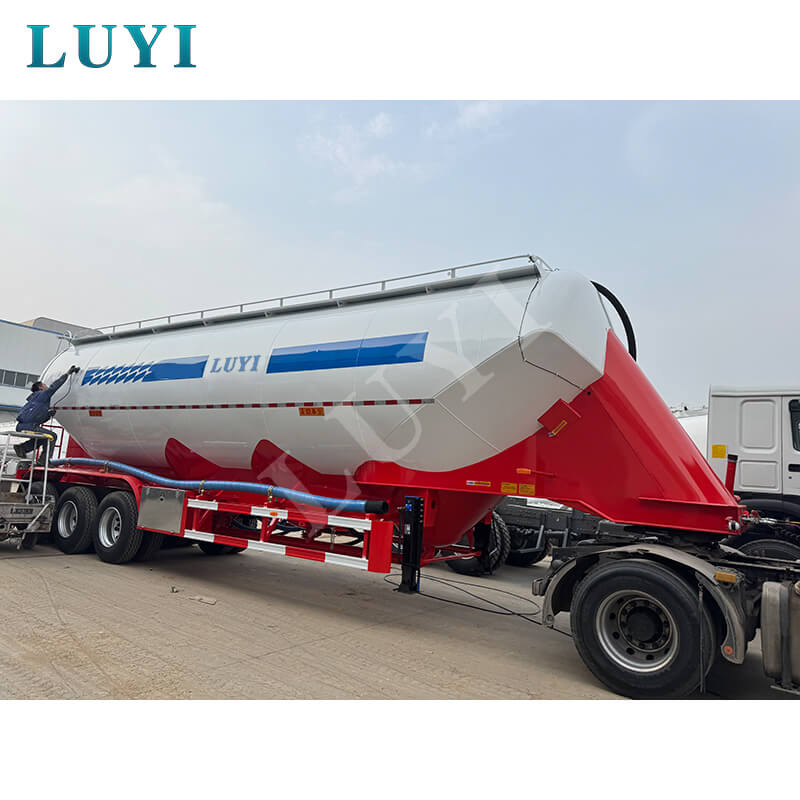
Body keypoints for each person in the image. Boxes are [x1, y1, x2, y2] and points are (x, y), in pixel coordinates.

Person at [14, 366, 80, 462]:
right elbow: (55, 386)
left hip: (26, 425)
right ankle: (44, 460)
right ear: (40, 387)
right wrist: (67, 374)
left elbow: (38, 418)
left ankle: (23, 448)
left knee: (44, 438)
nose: (46, 386)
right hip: (28, 426)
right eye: (44, 385)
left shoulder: (36, 400)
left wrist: (48, 415)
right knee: (52, 436)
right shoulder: (42, 394)